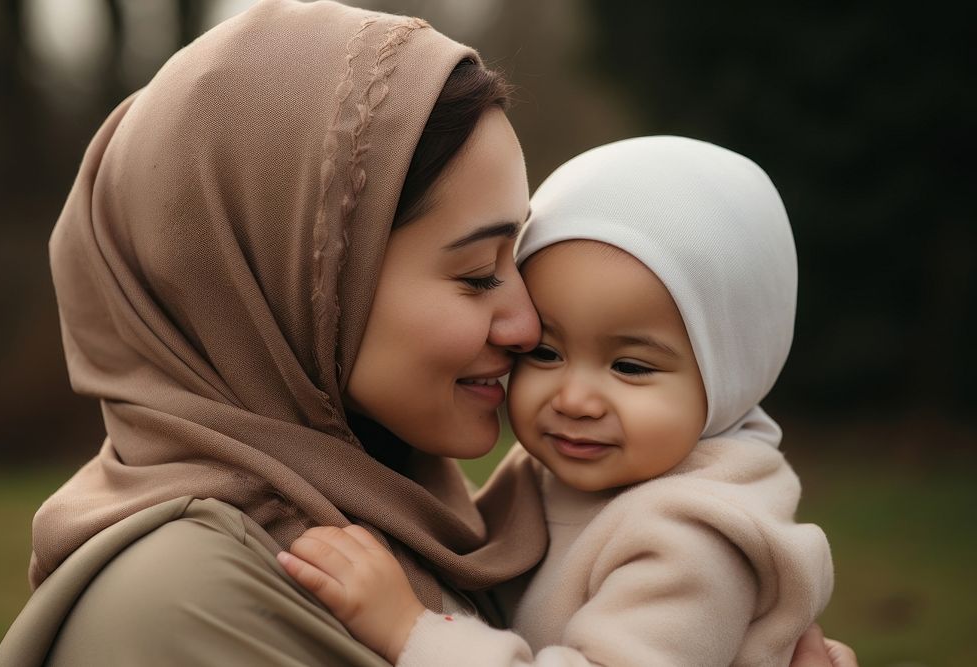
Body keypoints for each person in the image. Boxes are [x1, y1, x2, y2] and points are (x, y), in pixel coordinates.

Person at [0, 1, 854, 665]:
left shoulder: (408, 514)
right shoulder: (187, 597)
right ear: (300, 284)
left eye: (517, 263)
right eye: (479, 274)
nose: (523, 325)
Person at [277, 136, 834, 665]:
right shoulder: (557, 474)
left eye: (631, 366)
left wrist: (410, 631)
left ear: (732, 376)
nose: (574, 399)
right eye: (545, 353)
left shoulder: (695, 541)